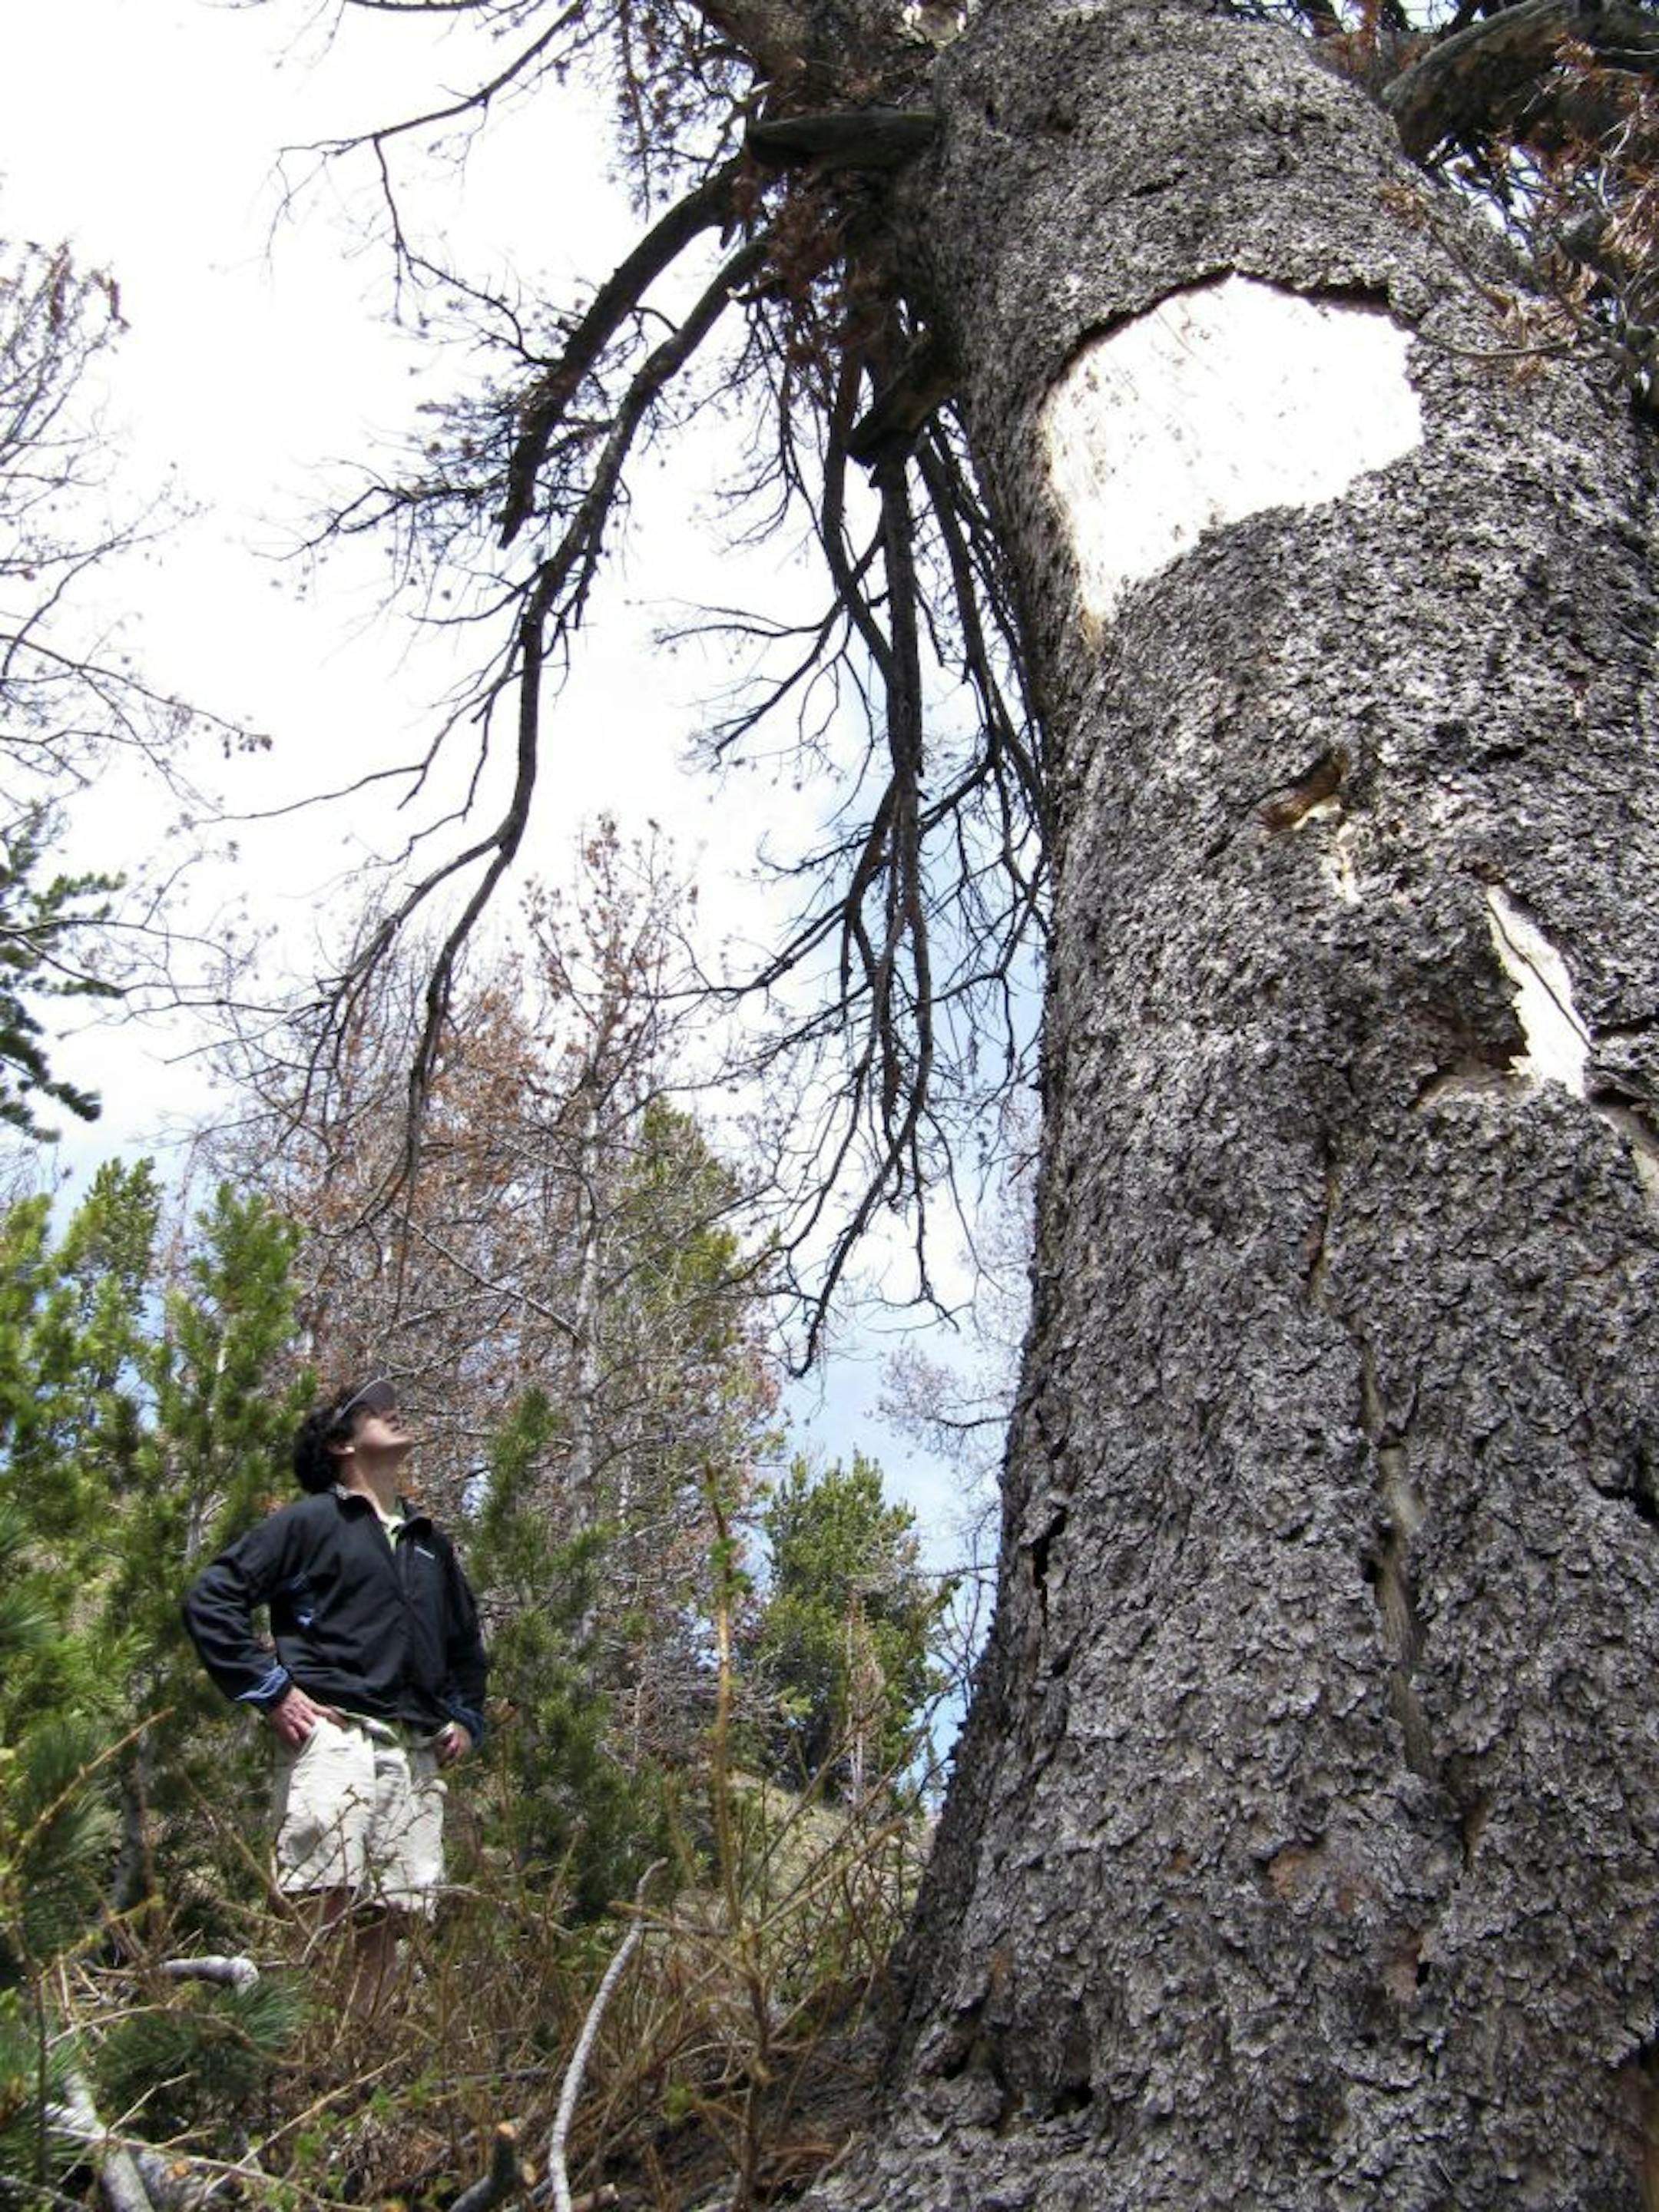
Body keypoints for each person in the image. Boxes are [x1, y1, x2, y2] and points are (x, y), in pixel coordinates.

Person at [183, 1376, 487, 1995]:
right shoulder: (313, 1522)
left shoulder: (430, 1544)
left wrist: (465, 1719)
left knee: (391, 1916)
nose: (394, 1413)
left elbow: (465, 1649)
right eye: (374, 1410)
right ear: (341, 1444)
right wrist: (270, 1691)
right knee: (318, 1902)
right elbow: (213, 1597)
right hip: (335, 1739)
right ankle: (291, 2057)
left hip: (414, 1753)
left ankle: (355, 2069)